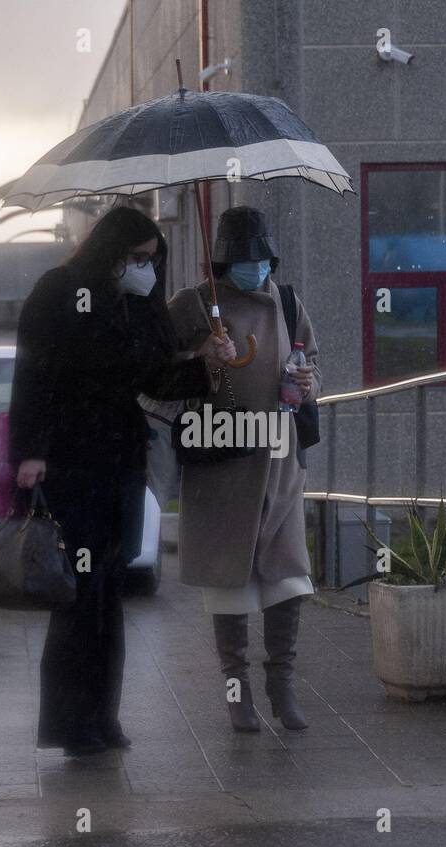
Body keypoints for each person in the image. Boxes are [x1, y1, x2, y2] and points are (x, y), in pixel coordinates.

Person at [8, 206, 235, 757]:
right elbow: (32, 372)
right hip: (71, 460)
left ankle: (103, 717)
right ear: (109, 252)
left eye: (152, 261)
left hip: (121, 459)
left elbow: (154, 377)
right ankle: (71, 723)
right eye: (136, 259)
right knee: (79, 593)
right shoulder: (60, 290)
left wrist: (209, 362)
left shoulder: (139, 305)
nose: (146, 270)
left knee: (110, 592)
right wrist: (30, 451)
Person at [167, 206, 322, 733]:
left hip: (279, 462)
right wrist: (204, 358)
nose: (253, 266)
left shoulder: (287, 300)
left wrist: (306, 384)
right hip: (221, 461)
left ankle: (283, 685)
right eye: (243, 257)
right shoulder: (192, 304)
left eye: (261, 256)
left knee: (287, 575)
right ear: (223, 257)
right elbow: (157, 376)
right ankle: (238, 692)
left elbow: (311, 363)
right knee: (228, 578)